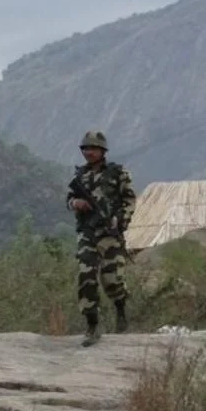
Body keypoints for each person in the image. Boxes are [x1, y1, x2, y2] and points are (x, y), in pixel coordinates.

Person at [66, 130, 136, 346]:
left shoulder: (117, 173)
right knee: (86, 277)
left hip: (110, 235)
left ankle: (121, 311)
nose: (89, 152)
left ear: (102, 151)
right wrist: (76, 204)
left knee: (112, 281)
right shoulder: (80, 176)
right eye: (86, 148)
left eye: (93, 148)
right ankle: (92, 325)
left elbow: (129, 200)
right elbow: (70, 198)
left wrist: (120, 220)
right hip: (87, 233)